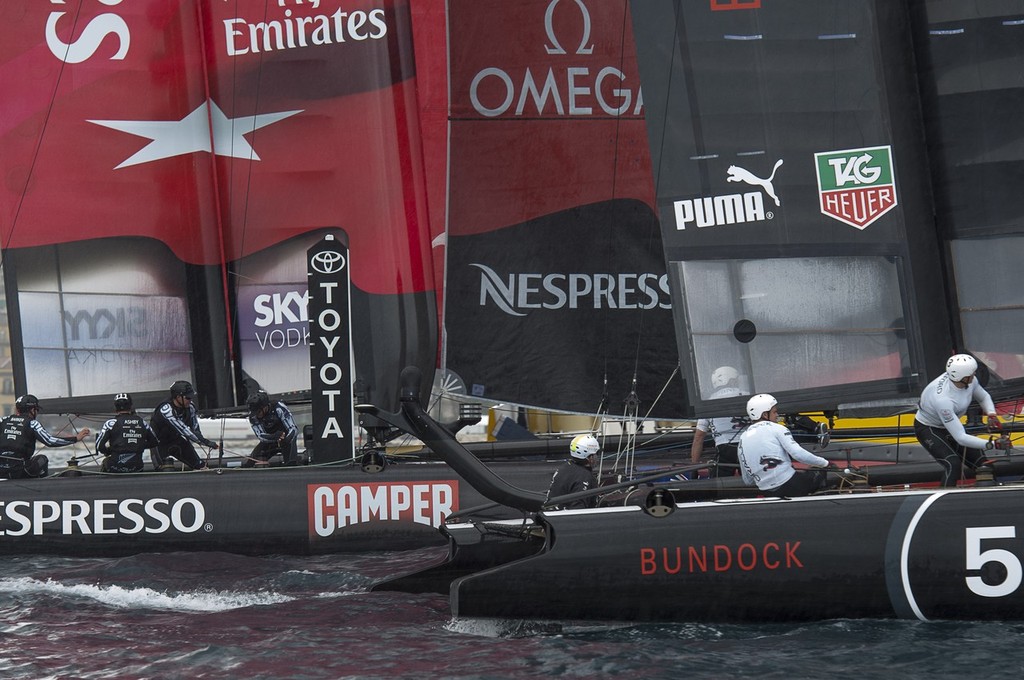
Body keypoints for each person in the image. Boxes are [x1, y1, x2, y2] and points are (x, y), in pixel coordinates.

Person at [914, 353, 1002, 487]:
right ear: (963, 377)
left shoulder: (968, 380)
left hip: (948, 424)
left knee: (983, 465)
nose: (975, 376)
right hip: (929, 428)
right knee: (953, 464)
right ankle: (944, 501)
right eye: (972, 374)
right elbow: (960, 438)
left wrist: (991, 414)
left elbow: (983, 397)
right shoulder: (943, 400)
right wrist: (992, 444)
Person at [738, 393, 830, 496]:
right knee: (822, 471)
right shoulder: (777, 428)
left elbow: (747, 480)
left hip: (766, 491)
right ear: (765, 415)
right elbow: (798, 454)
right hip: (791, 484)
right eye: (774, 412)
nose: (777, 415)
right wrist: (825, 463)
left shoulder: (742, 438)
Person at [0, 394, 91, 479]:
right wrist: (75, 438)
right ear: (32, 410)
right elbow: (50, 441)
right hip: (20, 471)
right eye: (37, 410)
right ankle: (42, 489)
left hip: (1, 471)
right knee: (42, 459)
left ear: (17, 409)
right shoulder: (33, 423)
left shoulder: (2, 420)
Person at [690, 366, 747, 477]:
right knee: (755, 485)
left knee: (719, 486)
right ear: (733, 380)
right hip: (748, 446)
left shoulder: (707, 402)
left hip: (724, 448)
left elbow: (699, 437)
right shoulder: (748, 394)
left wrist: (694, 467)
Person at [149, 380, 218, 471]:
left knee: (200, 466)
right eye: (188, 398)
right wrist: (206, 442)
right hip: (159, 444)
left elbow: (195, 429)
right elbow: (184, 430)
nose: (190, 400)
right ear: (178, 397)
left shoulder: (191, 407)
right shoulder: (166, 410)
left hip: (176, 440)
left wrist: (203, 440)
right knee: (165, 470)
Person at [95, 393, 160, 473]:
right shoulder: (141, 422)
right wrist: (139, 445)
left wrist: (109, 450)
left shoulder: (111, 423)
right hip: (137, 467)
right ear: (131, 406)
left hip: (116, 467)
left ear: (115, 407)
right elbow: (155, 442)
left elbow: (99, 446)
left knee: (106, 461)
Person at [545, 433, 600, 509]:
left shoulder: (565, 467)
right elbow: (578, 509)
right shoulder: (584, 476)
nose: (597, 457)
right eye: (596, 454)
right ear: (589, 457)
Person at [245, 390, 299, 466]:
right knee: (251, 461)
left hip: (286, 438)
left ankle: (291, 465)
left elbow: (293, 429)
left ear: (265, 407)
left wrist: (286, 439)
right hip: (269, 439)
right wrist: (274, 436)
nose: (256, 415)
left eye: (258, 412)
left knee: (290, 457)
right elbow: (260, 435)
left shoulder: (279, 408)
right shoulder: (253, 416)